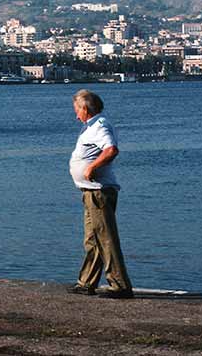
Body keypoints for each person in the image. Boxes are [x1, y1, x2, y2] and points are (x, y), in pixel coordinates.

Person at [67, 89, 133, 298]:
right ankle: (87, 282)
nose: (76, 115)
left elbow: (111, 150)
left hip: (99, 192)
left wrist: (91, 168)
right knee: (92, 239)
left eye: (77, 110)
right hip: (90, 192)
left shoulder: (99, 126)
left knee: (105, 238)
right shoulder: (91, 127)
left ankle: (120, 285)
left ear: (85, 109)